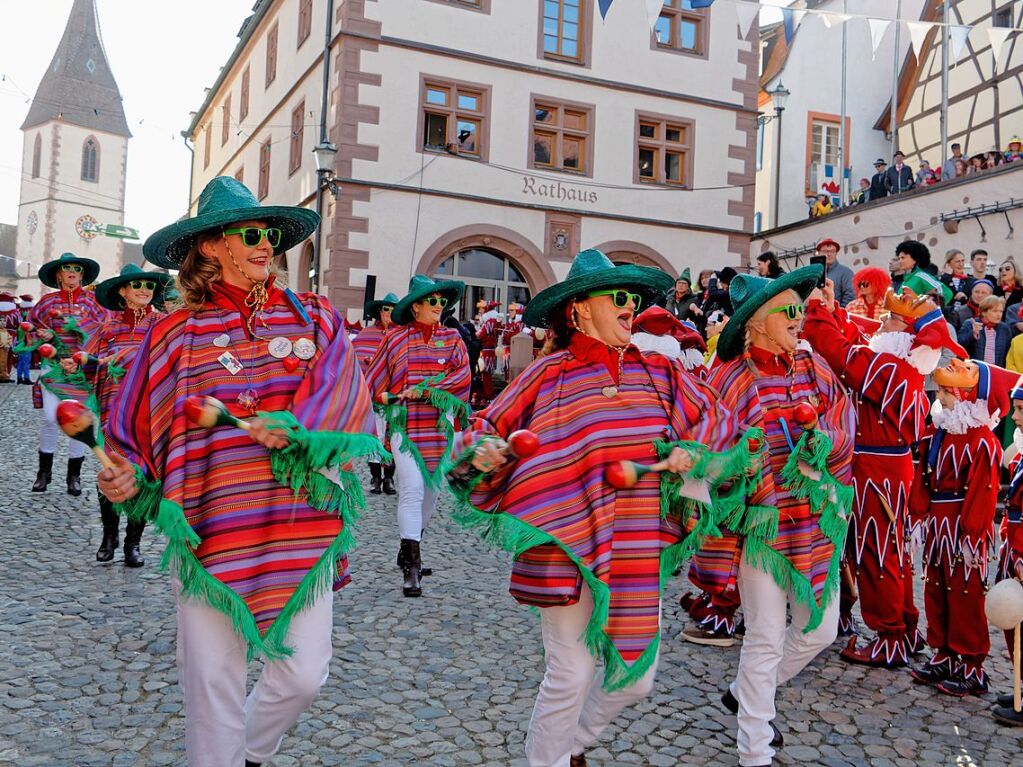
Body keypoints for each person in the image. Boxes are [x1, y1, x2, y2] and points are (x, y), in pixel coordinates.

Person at [97, 176, 378, 767]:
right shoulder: (175, 332)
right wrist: (124, 475)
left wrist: (303, 430)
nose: (266, 245)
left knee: (304, 676)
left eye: (270, 234)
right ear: (210, 247)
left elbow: (349, 395)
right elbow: (136, 421)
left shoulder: (316, 317)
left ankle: (250, 750)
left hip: (302, 525)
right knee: (211, 684)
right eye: (252, 233)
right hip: (211, 526)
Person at [449, 249, 745, 767]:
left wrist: (693, 451)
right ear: (580, 311)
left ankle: (573, 746)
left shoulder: (661, 372)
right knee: (570, 673)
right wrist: (485, 450)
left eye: (635, 297)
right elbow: (483, 432)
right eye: (619, 297)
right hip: (561, 541)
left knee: (638, 678)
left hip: (634, 545)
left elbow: (720, 425)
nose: (631, 306)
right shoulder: (544, 375)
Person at [703, 264, 855, 767]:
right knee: (765, 635)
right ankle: (755, 751)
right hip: (760, 528)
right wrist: (740, 460)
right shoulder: (727, 378)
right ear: (756, 322)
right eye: (789, 310)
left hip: (813, 523)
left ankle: (746, 693)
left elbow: (842, 423)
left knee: (820, 631)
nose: (800, 317)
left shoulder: (814, 369)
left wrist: (822, 442)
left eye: (802, 308)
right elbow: (710, 449)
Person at [804, 287, 962, 667]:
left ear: (904, 331)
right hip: (885, 468)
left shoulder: (891, 368)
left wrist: (814, 309)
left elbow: (843, 355)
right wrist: (832, 308)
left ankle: (888, 634)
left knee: (875, 553)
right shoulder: (897, 364)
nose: (880, 322)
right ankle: (904, 627)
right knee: (891, 552)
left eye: (889, 319)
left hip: (877, 472)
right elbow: (856, 344)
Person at [908, 359, 1010, 695]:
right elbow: (924, 476)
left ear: (966, 395)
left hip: (962, 529)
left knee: (965, 592)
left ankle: (971, 662)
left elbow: (982, 492)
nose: (939, 397)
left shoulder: (982, 441)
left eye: (943, 392)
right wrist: (918, 514)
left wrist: (972, 535)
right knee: (935, 587)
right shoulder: (940, 432)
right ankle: (944, 652)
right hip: (939, 524)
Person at [366, 275, 471, 598]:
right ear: (416, 308)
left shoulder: (454, 339)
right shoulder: (394, 340)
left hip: (440, 428)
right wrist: (385, 396)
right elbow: (373, 381)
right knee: (411, 487)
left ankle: (410, 542)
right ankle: (413, 565)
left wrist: (426, 390)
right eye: (433, 301)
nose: (440, 307)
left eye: (442, 302)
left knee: (431, 492)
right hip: (405, 427)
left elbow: (463, 377)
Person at [86, 264, 174, 567]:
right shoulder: (107, 327)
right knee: (111, 472)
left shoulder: (162, 324)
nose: (143, 291)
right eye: (136, 285)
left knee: (142, 474)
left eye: (148, 287)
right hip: (112, 414)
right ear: (123, 291)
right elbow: (89, 363)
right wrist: (85, 363)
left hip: (148, 415)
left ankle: (132, 543)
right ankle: (108, 538)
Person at [21, 252, 108, 495]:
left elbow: (103, 332)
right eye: (67, 268)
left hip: (81, 370)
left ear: (82, 275)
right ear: (59, 274)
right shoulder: (46, 303)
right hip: (55, 366)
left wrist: (86, 348)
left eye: (77, 269)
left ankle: (74, 477)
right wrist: (42, 336)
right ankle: (44, 473)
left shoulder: (93, 302)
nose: (72, 272)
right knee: (50, 418)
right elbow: (31, 329)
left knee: (79, 421)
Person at [992, 379, 1023, 725]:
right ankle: (1020, 686)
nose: (1014, 418)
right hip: (1015, 547)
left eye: (1020, 411)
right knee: (1016, 626)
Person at [352, 292, 399, 496]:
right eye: (387, 309)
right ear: (380, 312)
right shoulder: (367, 334)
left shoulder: (402, 335)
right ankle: (375, 478)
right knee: (375, 437)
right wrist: (369, 364)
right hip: (373, 398)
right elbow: (353, 359)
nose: (390, 313)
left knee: (393, 438)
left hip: (396, 397)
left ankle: (389, 478)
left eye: (394, 309)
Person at [960, 295, 1011, 368]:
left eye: (1001, 311)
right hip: (973, 370)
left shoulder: (1005, 329)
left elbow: (1007, 353)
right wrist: (973, 334)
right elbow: (960, 346)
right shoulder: (970, 324)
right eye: (995, 311)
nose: (999, 314)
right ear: (984, 312)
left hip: (996, 372)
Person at [896, 241, 953, 305]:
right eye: (899, 258)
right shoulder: (905, 281)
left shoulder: (921, 276)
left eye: (903, 258)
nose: (899, 261)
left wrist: (929, 306)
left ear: (915, 259)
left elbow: (946, 293)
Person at [816, 238, 855, 307]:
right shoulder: (814, 273)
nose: (829, 254)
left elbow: (850, 296)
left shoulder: (846, 272)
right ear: (819, 253)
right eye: (825, 251)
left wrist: (838, 313)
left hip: (836, 315)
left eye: (833, 251)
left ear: (836, 253)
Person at [476, 299, 502, 403]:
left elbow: (481, 336)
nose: (480, 311)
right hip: (490, 351)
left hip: (485, 351)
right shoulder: (494, 321)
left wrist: (475, 333)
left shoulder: (488, 322)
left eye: (482, 309)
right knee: (486, 374)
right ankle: (486, 394)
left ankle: (487, 394)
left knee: (485, 374)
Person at [14, 294, 34, 384]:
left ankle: (19, 378)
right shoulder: (27, 326)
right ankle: (26, 378)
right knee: (26, 362)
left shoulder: (20, 326)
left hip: (19, 345)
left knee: (20, 362)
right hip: (26, 345)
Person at [0, 291, 19, 382]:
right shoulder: (15, 312)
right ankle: (6, 375)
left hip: (8, 336)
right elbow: (19, 323)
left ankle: (4, 375)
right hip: (12, 336)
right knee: (9, 356)